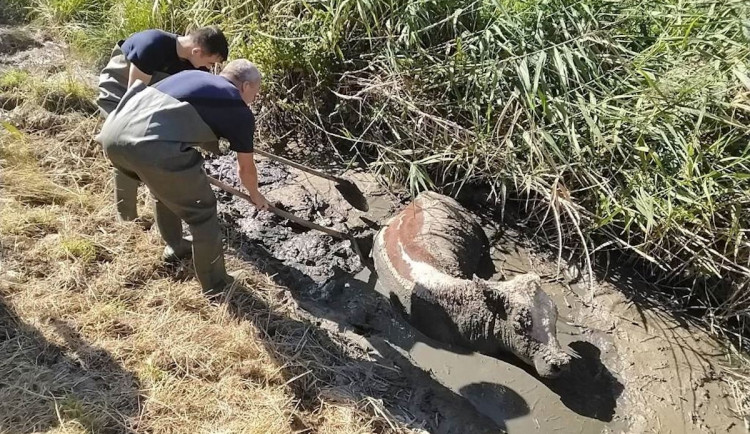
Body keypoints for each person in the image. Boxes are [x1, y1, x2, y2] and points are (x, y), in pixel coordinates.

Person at [95, 60, 268, 294]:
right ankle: (216, 284)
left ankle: (176, 246)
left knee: (164, 190)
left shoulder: (191, 76)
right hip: (148, 145)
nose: (253, 100)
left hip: (112, 134)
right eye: (255, 93)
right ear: (245, 86)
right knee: (202, 212)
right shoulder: (238, 109)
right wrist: (256, 195)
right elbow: (245, 169)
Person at [96, 26, 229, 221]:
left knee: (146, 146)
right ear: (197, 51)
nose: (209, 68)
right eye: (210, 63)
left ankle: (159, 206)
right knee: (125, 145)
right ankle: (126, 218)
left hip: (147, 96)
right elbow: (133, 99)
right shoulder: (152, 45)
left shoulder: (193, 65)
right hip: (120, 92)